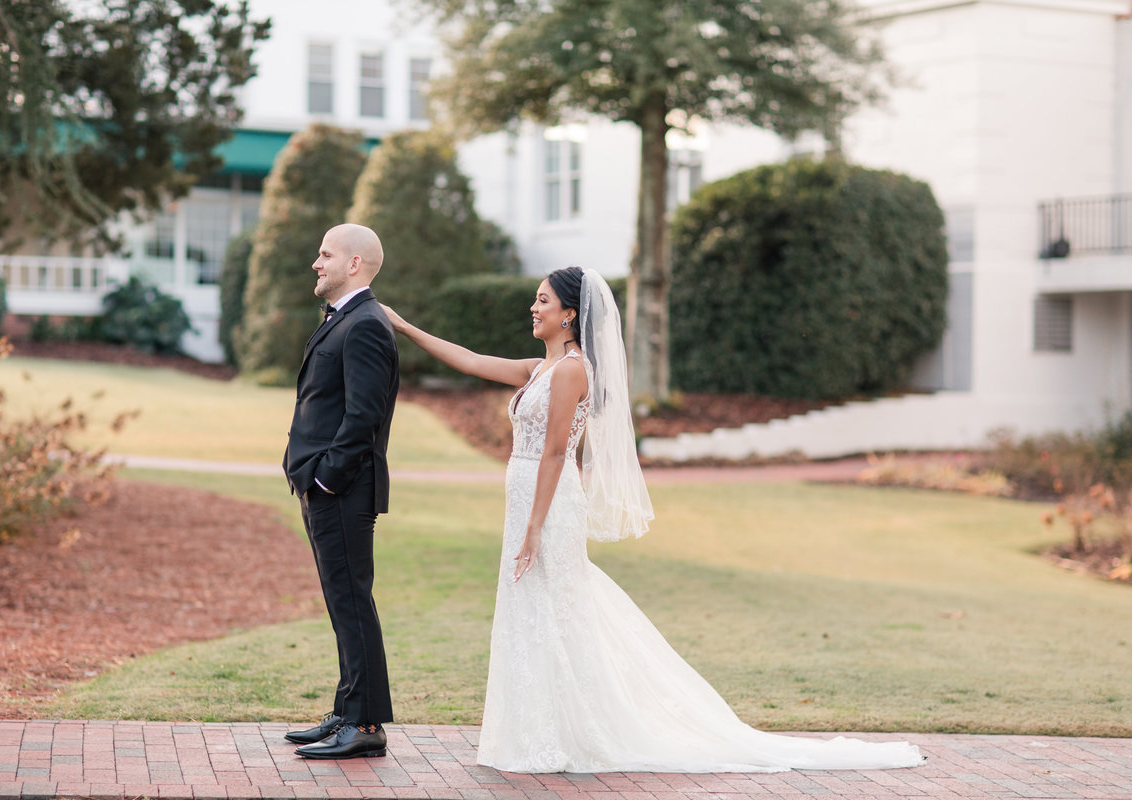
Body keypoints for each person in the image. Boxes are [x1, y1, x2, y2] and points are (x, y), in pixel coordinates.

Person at [382, 266, 924, 774]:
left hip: (548, 507)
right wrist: (404, 327)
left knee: (556, 610)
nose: (533, 307)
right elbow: (470, 361)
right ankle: (538, 733)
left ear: (569, 313)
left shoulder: (572, 371)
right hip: (527, 502)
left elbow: (555, 455)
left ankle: (573, 733)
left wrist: (533, 529)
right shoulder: (538, 368)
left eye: (542, 300)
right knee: (535, 613)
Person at [281, 223, 399, 760]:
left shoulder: (367, 325)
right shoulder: (345, 320)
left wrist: (327, 477)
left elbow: (363, 416)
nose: (315, 262)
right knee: (341, 602)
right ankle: (348, 709)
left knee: (352, 602)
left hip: (342, 490)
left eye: (325, 253)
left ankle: (366, 726)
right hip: (322, 485)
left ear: (354, 264)